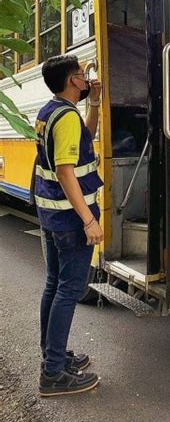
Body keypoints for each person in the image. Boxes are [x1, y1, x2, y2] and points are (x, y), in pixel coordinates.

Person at [34, 55, 104, 396]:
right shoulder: (65, 117)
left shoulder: (53, 112)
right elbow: (65, 171)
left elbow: (84, 139)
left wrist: (97, 104)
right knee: (68, 290)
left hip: (52, 216)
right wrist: (88, 220)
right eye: (81, 74)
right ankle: (53, 373)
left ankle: (53, 356)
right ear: (72, 82)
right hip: (69, 220)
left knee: (53, 286)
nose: (85, 77)